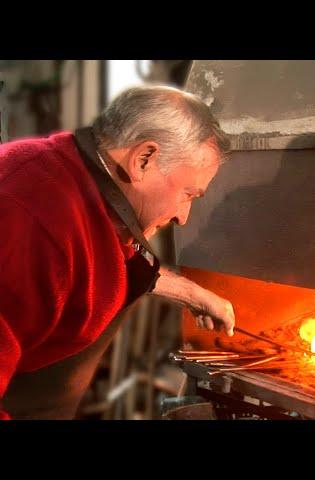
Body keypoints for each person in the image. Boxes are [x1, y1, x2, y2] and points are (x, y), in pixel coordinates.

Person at [0, 85, 235, 419]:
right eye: (188, 194)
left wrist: (190, 292)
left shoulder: (83, 176)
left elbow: (105, 257)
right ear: (144, 159)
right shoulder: (32, 219)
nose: (183, 217)